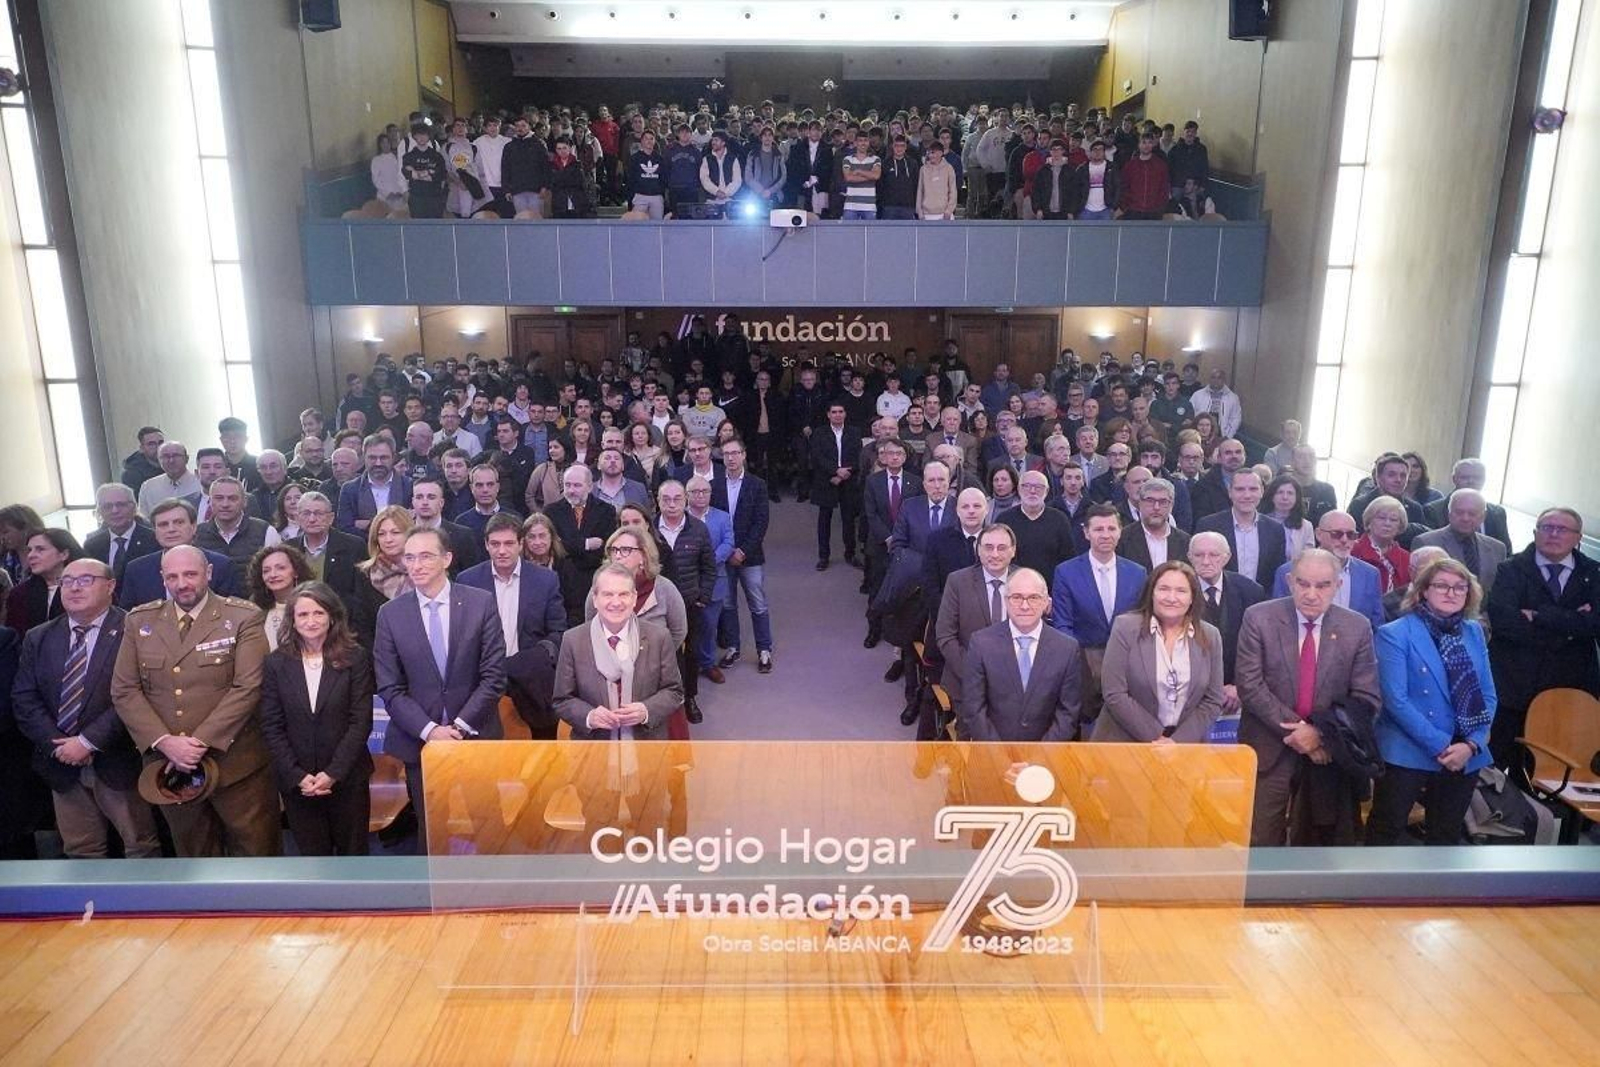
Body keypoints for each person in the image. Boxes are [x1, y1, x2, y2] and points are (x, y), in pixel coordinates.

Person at [110, 545, 279, 857]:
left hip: (237, 765)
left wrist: (199, 741)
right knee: (194, 858)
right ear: (162, 578)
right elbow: (124, 689)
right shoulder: (140, 622)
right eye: (172, 576)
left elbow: (249, 685)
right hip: (171, 768)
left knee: (257, 857)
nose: (182, 583)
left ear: (209, 573)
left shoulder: (242, 616)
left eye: (190, 574)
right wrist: (165, 742)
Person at [10, 559, 161, 858]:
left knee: (141, 848)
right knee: (81, 852)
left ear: (111, 586)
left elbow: (139, 695)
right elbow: (24, 698)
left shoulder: (137, 630)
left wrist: (87, 742)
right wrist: (60, 746)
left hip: (118, 761)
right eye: (67, 581)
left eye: (86, 579)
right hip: (61, 764)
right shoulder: (38, 637)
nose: (74, 587)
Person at [1235, 549, 1382, 847]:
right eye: (1303, 583)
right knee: (1260, 840)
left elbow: (1366, 698)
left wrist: (1320, 735)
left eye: (1323, 585)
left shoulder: (1357, 627)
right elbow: (1250, 685)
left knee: (1317, 846)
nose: (1311, 594)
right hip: (1268, 749)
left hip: (1327, 754)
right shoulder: (1258, 617)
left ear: (1338, 585)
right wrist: (1301, 732)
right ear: (1289, 581)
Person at [372, 527, 507, 846]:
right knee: (433, 834)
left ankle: (496, 895)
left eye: (425, 556)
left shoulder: (480, 603)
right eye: (409, 557)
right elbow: (390, 688)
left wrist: (459, 727)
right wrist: (431, 731)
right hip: (421, 744)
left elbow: (494, 676)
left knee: (489, 829)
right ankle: (438, 896)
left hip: (476, 736)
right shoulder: (390, 614)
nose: (416, 565)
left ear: (447, 558)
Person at [1367, 558, 1497, 846]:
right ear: (1423, 590)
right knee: (1386, 830)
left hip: (1465, 751)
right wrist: (1441, 745)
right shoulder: (1395, 633)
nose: (1451, 593)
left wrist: (1472, 744)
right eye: (1441, 586)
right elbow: (1395, 700)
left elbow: (1487, 694)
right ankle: (1374, 891)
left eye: (1459, 587)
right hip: (1408, 749)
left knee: (1446, 835)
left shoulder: (1474, 631)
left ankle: (1437, 893)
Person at [257, 581, 373, 857]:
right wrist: (298, 776)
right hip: (300, 784)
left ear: (332, 615)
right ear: (292, 621)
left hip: (347, 779)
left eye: (318, 613)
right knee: (313, 860)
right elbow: (271, 725)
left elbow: (360, 722)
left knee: (354, 858)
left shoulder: (355, 658)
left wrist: (333, 774)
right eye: (303, 615)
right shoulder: (276, 663)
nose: (311, 621)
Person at [1485, 507, 1600, 768]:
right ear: (1535, 532)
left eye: (1562, 529)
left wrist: (1539, 615)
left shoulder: (1593, 573)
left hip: (1570, 687)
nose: (1553, 534)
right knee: (1497, 765)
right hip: (1514, 685)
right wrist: (1571, 626)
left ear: (1578, 537)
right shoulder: (1510, 569)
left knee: (1558, 767)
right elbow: (1506, 623)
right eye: (1547, 527)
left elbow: (1596, 624)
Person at [458, 514, 568, 740]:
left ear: (521, 544)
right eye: (495, 544)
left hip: (530, 680)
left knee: (540, 755)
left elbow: (558, 632)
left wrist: (535, 658)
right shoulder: (467, 581)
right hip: (483, 679)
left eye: (509, 543)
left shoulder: (545, 580)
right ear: (486, 545)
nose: (502, 551)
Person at [1094, 560, 1226, 743]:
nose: (1171, 597)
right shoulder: (1125, 627)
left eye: (1181, 591)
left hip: (1185, 748)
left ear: (1192, 598)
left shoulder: (1210, 636)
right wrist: (1158, 738)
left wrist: (1177, 742)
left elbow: (1213, 700)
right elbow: (1114, 692)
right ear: (1152, 593)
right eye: (1164, 589)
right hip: (1125, 744)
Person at [555, 562, 686, 741]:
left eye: (623, 594)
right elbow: (562, 700)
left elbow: (674, 691)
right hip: (593, 748)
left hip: (647, 745)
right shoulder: (573, 640)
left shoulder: (659, 637)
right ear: (595, 599)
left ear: (634, 598)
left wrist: (646, 710)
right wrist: (589, 716)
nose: (616, 602)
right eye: (607, 594)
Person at [1049, 505, 1146, 731]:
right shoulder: (1066, 571)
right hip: (1083, 664)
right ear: (1086, 533)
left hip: (1127, 664)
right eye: (1098, 529)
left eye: (1111, 528)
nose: (1105, 535)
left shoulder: (1137, 572)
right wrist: (1077, 665)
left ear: (1120, 532)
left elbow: (1141, 618)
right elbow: (1063, 623)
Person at [959, 567, 1081, 742]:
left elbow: (1068, 714)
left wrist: (1039, 757)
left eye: (1033, 598)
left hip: (1046, 760)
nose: (1025, 606)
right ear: (1006, 601)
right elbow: (973, 708)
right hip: (993, 756)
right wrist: (1000, 755)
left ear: (1046, 602)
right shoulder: (981, 643)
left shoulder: (1067, 648)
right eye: (1017, 597)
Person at [935, 523, 1019, 726]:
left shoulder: (1026, 580)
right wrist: (976, 676)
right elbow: (945, 636)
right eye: (988, 547)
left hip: (1016, 688)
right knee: (971, 751)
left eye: (1002, 547)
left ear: (1013, 550)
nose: (995, 554)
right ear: (978, 550)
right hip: (967, 686)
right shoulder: (957, 582)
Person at [711, 439, 774, 674]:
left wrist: (743, 550)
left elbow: (761, 522)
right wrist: (727, 551)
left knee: (757, 602)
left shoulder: (757, 485)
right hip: (724, 556)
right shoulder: (714, 484)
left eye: (735, 453)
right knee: (727, 604)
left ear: (744, 455)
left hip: (751, 555)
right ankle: (732, 647)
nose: (731, 458)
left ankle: (764, 650)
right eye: (726, 454)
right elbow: (713, 521)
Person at [1188, 531, 1265, 717]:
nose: (1206, 561)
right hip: (1189, 695)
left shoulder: (1250, 591)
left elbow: (1259, 647)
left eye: (1213, 555)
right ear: (1189, 557)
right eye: (1199, 555)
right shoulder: (1178, 591)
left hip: (1238, 696)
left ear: (1227, 557)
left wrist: (1240, 686)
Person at [1270, 510, 1387, 632]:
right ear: (1319, 534)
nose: (1344, 540)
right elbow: (1279, 621)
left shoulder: (1370, 574)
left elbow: (1376, 625)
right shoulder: (1288, 571)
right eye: (1336, 534)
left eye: (1351, 535)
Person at [116, 500, 242, 608]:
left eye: (179, 522)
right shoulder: (136, 569)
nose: (171, 529)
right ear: (155, 531)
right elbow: (129, 616)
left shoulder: (222, 565)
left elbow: (232, 612)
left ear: (193, 527)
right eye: (163, 525)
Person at [1195, 468, 1286, 589]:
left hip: (1261, 602)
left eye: (1253, 489)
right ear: (1230, 492)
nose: (1247, 495)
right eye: (1240, 489)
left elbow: (1275, 574)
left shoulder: (1275, 529)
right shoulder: (1208, 526)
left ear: (1262, 492)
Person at [1413, 489, 1507, 595]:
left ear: (1483, 517)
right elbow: (1419, 589)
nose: (1465, 518)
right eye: (1459, 512)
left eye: (1472, 513)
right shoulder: (1426, 542)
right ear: (1449, 514)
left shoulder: (1497, 548)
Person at [997, 470, 1078, 582]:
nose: (1032, 491)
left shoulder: (1059, 519)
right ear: (1019, 489)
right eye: (1027, 486)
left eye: (1038, 487)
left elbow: (1068, 559)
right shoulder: (1004, 520)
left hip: (1051, 589)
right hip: (1013, 587)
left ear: (1047, 491)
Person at [350, 505, 414, 645]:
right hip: (380, 652)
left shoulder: (423, 570)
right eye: (381, 534)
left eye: (395, 532)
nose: (388, 539)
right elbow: (362, 625)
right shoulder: (365, 574)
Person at [810, 402, 862, 572]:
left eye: (841, 411)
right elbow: (817, 457)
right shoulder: (819, 433)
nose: (838, 415)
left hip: (848, 479)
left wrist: (845, 473)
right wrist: (835, 471)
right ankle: (823, 556)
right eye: (834, 412)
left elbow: (858, 456)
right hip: (827, 480)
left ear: (845, 414)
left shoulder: (854, 432)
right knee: (824, 520)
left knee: (848, 520)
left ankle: (850, 554)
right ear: (828, 415)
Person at [546, 464, 619, 585]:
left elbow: (605, 548)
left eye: (577, 485)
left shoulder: (606, 511)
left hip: (595, 578)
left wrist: (570, 546)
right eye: (567, 485)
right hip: (562, 580)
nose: (571, 491)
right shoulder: (551, 512)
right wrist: (586, 544)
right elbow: (556, 547)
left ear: (590, 487)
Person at [1423, 458, 1512, 551]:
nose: (1471, 481)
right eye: (1465, 477)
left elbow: (1506, 551)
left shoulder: (1497, 513)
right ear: (1454, 479)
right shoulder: (1434, 510)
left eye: (1477, 478)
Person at [5, 528, 81, 633]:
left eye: (40, 549)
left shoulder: (86, 588)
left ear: (63, 554)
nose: (31, 555)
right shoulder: (19, 594)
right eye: (29, 550)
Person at [336, 435, 412, 535]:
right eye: (372, 458)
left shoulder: (409, 486)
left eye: (383, 458)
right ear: (363, 457)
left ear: (393, 457)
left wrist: (366, 524)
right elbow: (345, 528)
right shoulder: (350, 489)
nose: (378, 463)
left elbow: (411, 525)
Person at [523, 511, 586, 628]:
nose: (538, 542)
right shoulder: (519, 568)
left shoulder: (566, 567)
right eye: (531, 537)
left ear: (552, 537)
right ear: (524, 540)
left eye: (542, 536)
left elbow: (577, 608)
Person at [84, 483, 158, 583]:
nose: (114, 511)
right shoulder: (92, 545)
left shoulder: (153, 539)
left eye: (121, 505)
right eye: (107, 506)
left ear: (134, 507)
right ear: (100, 511)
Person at [246, 543, 314, 651]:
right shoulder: (255, 609)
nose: (273, 575)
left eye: (281, 568)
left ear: (296, 572)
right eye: (266, 571)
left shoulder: (314, 604)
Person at [1116, 476, 1189, 572]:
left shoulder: (1185, 541)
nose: (1156, 507)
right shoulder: (1122, 539)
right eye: (1150, 501)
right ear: (1140, 503)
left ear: (1171, 505)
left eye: (1163, 502)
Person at [1352, 495, 1411, 594]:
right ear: (1369, 522)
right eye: (1381, 518)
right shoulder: (1352, 550)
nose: (1387, 523)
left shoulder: (1407, 558)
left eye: (1393, 520)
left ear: (1400, 526)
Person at [136, 440, 202, 517]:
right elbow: (144, 519)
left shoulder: (200, 484)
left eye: (176, 455)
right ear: (159, 460)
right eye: (165, 456)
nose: (171, 460)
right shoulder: (148, 487)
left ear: (186, 459)